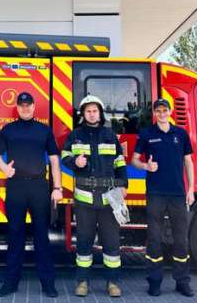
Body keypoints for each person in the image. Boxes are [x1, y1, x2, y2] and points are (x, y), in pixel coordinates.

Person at [0, 92, 62, 298]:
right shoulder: (8, 129)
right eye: (21, 105)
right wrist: (4, 168)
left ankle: (48, 284)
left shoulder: (44, 130)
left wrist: (57, 187)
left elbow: (54, 160)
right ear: (17, 107)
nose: (25, 108)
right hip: (16, 187)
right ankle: (10, 283)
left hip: (39, 187)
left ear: (33, 106)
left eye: (28, 104)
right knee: (15, 235)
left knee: (42, 236)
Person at [61, 95, 128, 298]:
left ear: (100, 113)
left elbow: (120, 162)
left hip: (109, 198)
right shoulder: (75, 135)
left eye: (95, 111)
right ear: (83, 114)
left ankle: (113, 283)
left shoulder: (110, 135)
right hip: (85, 200)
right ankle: (82, 282)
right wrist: (75, 162)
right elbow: (64, 156)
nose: (92, 114)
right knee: (84, 241)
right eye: (88, 111)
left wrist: (124, 185)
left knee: (111, 242)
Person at [132, 99, 195, 297]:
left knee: (181, 240)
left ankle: (182, 282)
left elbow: (188, 162)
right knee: (154, 239)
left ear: (170, 111)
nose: (161, 113)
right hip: (155, 194)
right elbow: (134, 160)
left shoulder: (181, 134)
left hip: (178, 194)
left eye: (164, 110)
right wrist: (146, 166)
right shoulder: (147, 134)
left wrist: (191, 189)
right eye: (158, 111)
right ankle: (154, 282)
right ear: (154, 113)